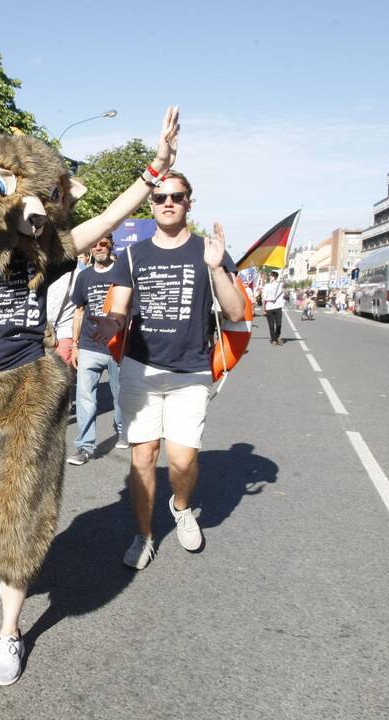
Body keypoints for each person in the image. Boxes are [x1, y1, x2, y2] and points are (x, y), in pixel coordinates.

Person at [0, 103, 180, 686]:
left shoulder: (43, 258)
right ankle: (0, 588)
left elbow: (104, 219)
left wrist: (154, 170)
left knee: (19, 517)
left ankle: (9, 632)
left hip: (28, 390)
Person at [93, 170, 245, 571]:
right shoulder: (132, 254)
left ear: (189, 202)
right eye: (160, 197)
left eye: (176, 196)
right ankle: (143, 534)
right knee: (143, 455)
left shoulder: (208, 251)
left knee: (181, 461)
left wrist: (215, 268)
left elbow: (233, 312)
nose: (167, 202)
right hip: (140, 369)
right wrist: (109, 323)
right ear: (151, 203)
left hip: (191, 371)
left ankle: (180, 506)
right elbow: (119, 308)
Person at [67, 232, 125, 465]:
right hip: (90, 346)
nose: (99, 247)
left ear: (111, 245)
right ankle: (85, 446)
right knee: (85, 399)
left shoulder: (122, 273)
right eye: (95, 244)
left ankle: (122, 429)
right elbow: (79, 311)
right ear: (90, 249)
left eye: (103, 243)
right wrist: (75, 345)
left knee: (120, 397)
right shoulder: (85, 276)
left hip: (117, 347)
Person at [262, 271, 285, 345]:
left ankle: (277, 336)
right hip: (269, 307)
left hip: (278, 306)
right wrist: (269, 300)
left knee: (279, 324)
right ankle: (273, 338)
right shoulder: (267, 285)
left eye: (271, 276)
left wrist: (282, 279)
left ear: (275, 277)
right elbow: (264, 297)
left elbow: (285, 284)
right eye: (270, 276)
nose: (270, 277)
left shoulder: (279, 284)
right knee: (271, 325)